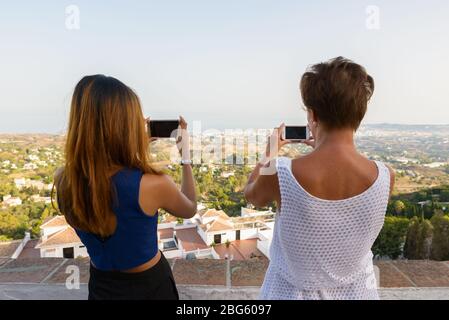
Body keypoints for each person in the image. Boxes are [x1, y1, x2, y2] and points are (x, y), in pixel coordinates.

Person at [244, 57, 395, 300]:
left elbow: (251, 194)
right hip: (358, 294)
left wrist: (269, 153)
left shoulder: (282, 172)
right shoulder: (385, 176)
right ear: (359, 114)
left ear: (312, 115)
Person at [54, 75, 197, 300]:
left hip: (101, 287)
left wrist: (134, 149)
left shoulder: (64, 180)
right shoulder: (153, 184)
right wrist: (186, 157)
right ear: (125, 125)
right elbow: (190, 209)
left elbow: (108, 182)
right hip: (150, 288)